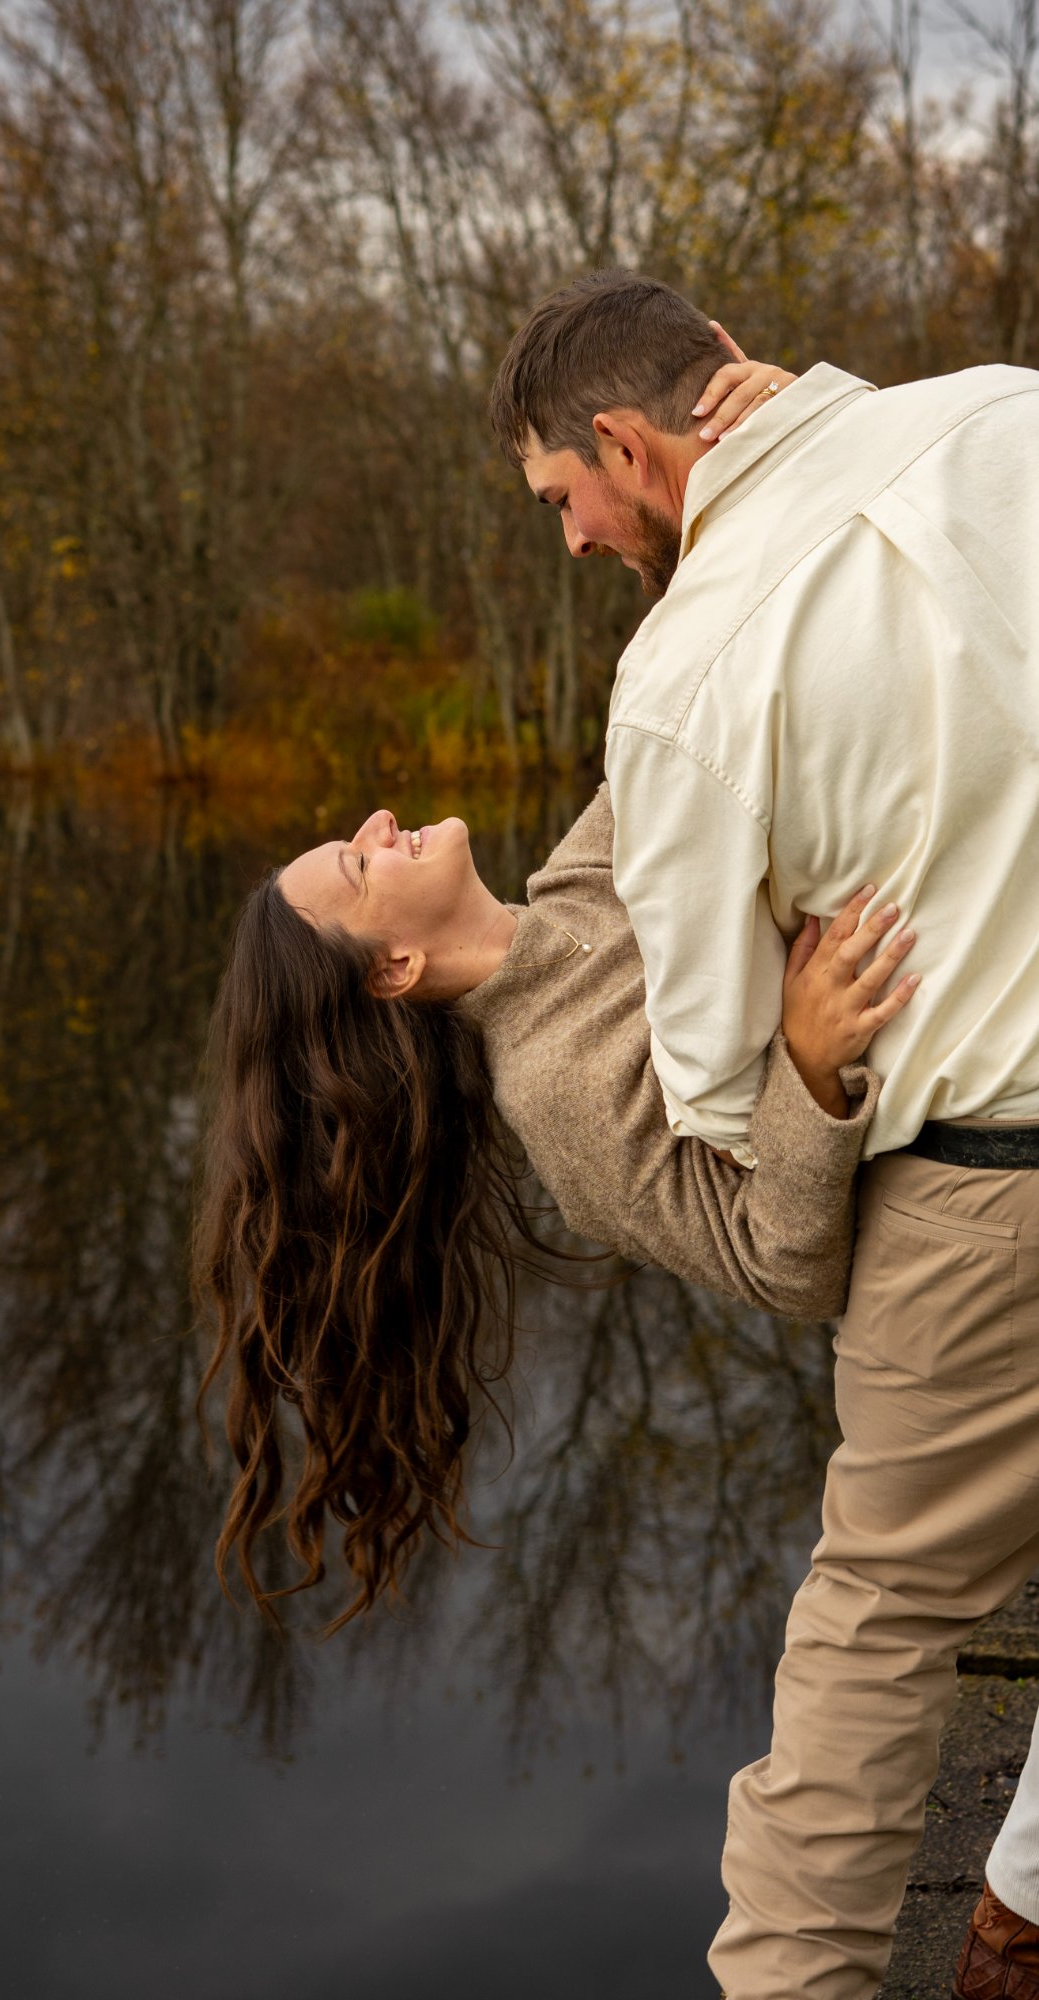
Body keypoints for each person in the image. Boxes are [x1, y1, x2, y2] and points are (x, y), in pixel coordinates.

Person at [489, 267, 1039, 2000]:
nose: (571, 542)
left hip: (983, 1207)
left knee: (877, 1644)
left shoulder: (678, 684)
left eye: (562, 501)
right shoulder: (1006, 411)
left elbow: (725, 1098)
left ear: (623, 445)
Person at [195, 781, 915, 1630]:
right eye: (360, 864)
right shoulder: (553, 1093)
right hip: (941, 1266)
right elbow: (783, 1265)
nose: (380, 824)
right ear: (395, 967)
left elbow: (668, 737)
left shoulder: (574, 882)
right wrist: (808, 1065)